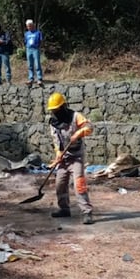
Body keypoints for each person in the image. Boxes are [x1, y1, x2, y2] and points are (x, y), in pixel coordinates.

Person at [47, 92, 94, 224]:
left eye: (56, 110)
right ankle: (64, 209)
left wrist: (78, 133)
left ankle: (87, 212)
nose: (55, 112)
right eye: (53, 111)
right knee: (60, 184)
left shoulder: (75, 116)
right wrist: (58, 154)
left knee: (79, 184)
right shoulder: (53, 123)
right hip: (64, 158)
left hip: (76, 157)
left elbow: (89, 127)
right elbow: (56, 141)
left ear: (63, 107)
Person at [24, 19, 44, 87]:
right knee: (30, 64)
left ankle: (39, 78)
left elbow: (41, 41)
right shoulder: (26, 33)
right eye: (28, 26)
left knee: (37, 64)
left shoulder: (38, 32)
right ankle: (31, 78)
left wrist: (38, 47)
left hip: (35, 49)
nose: (29, 27)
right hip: (28, 49)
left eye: (30, 26)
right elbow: (25, 41)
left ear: (33, 25)